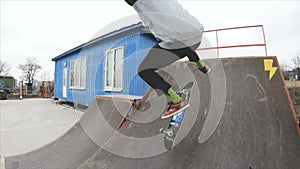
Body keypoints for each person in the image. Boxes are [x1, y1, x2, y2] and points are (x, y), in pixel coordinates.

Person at [124, 0, 210, 119]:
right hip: (196, 32)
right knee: (180, 41)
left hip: (176, 43)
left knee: (144, 70)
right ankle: (201, 65)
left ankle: (176, 101)